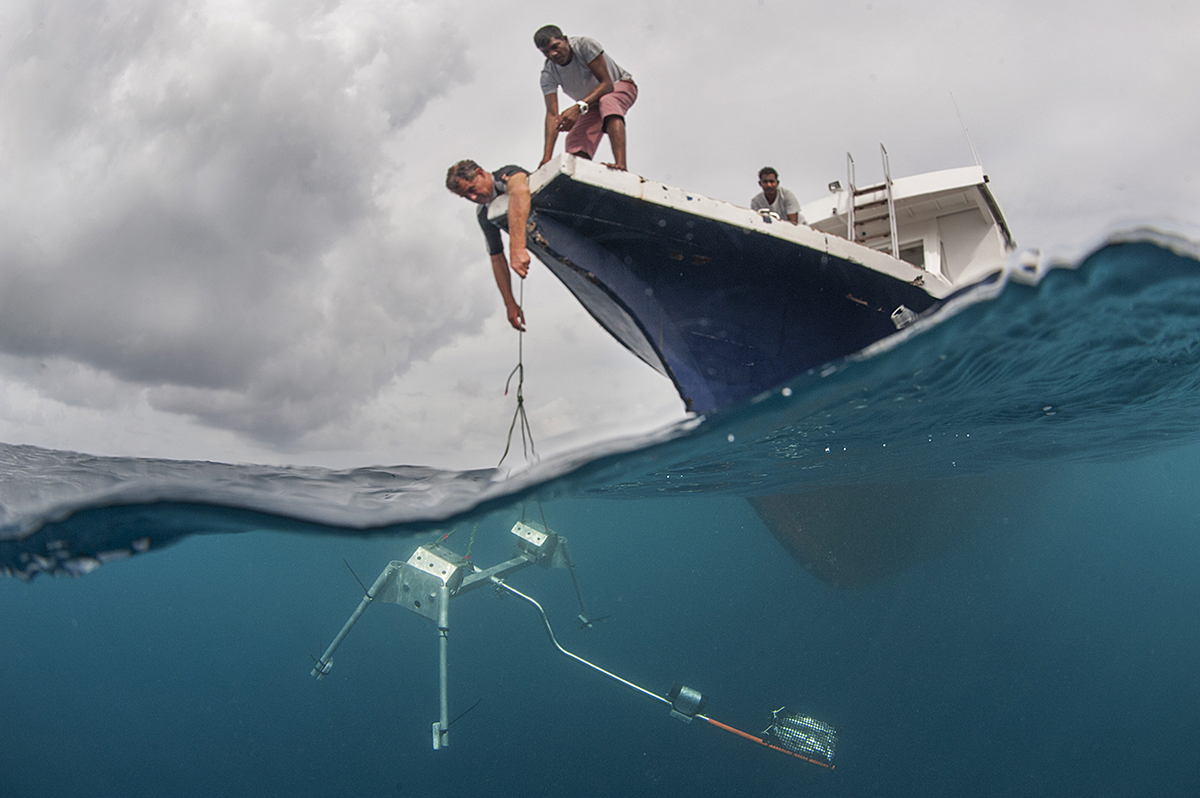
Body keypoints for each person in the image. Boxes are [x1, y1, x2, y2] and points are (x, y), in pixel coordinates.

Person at [534, 25, 637, 171]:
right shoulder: (548, 74)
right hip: (591, 104)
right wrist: (546, 158)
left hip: (619, 85)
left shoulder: (584, 46)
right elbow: (552, 115)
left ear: (565, 40)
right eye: (546, 52)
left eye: (555, 46)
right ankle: (577, 176)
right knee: (575, 139)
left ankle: (621, 165)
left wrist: (577, 107)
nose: (553, 54)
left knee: (608, 102)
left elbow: (607, 84)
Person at [445, 160, 531, 331]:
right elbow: (496, 257)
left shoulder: (505, 175)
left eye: (472, 189)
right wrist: (510, 303)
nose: (473, 198)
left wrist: (518, 248)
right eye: (466, 197)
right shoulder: (485, 213)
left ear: (480, 173)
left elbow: (520, 190)